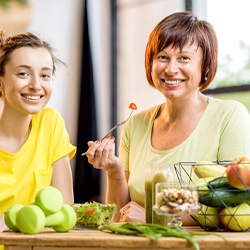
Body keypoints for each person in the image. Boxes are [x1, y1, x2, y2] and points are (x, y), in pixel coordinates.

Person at [86, 11, 250, 225]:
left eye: (184, 58)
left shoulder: (230, 116)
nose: (171, 69)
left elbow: (232, 205)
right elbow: (120, 215)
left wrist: (152, 217)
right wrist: (114, 170)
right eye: (162, 57)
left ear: (205, 65)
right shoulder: (136, 125)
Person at [0, 31, 76, 232]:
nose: (36, 85)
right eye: (23, 73)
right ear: (1, 80)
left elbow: (63, 214)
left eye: (44, 75)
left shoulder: (51, 123)